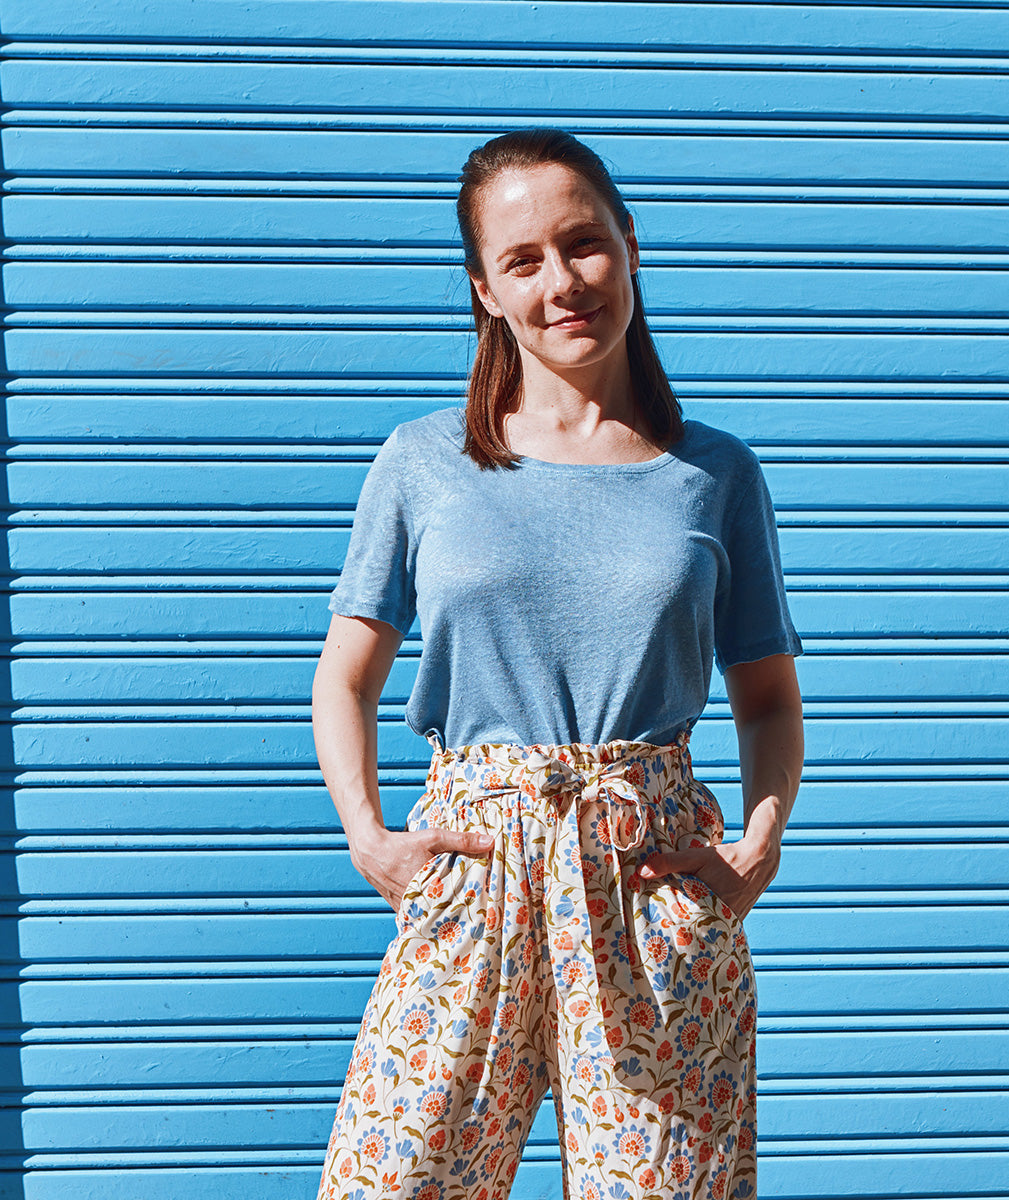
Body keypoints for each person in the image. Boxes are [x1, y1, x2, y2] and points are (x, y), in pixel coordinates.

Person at [311, 127, 805, 1200]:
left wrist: (758, 848)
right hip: (475, 869)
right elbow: (345, 676)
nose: (562, 282)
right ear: (486, 291)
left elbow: (767, 697)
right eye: (522, 260)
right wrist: (371, 839)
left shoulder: (713, 475)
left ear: (629, 246)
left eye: (583, 244)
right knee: (394, 1181)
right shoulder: (423, 462)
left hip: (648, 879)